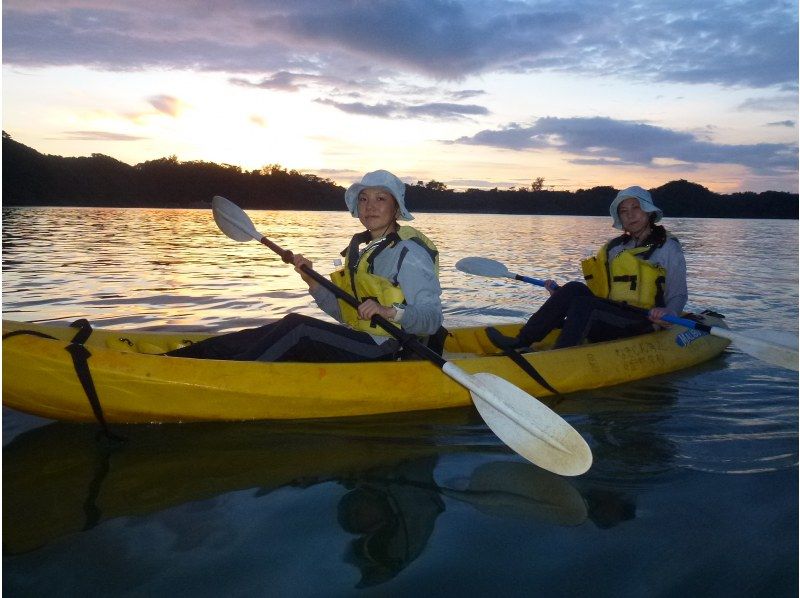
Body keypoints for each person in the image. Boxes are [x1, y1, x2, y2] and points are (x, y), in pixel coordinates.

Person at [167, 170, 443, 362]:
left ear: (396, 210)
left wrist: (389, 312)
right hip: (359, 339)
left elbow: (432, 321)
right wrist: (312, 282)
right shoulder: (358, 250)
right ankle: (181, 359)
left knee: (299, 329)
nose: (369, 206)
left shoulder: (410, 253)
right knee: (286, 323)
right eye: (363, 198)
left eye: (380, 199)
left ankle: (227, 375)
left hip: (389, 349)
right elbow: (344, 314)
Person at [487, 186, 687, 351]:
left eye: (636, 208)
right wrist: (560, 296)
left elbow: (678, 293)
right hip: (612, 317)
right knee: (573, 288)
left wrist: (670, 312)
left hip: (643, 321)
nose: (630, 215)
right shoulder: (614, 248)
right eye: (624, 212)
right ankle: (520, 341)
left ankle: (560, 356)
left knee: (585, 304)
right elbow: (600, 291)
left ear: (648, 211)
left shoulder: (668, 247)